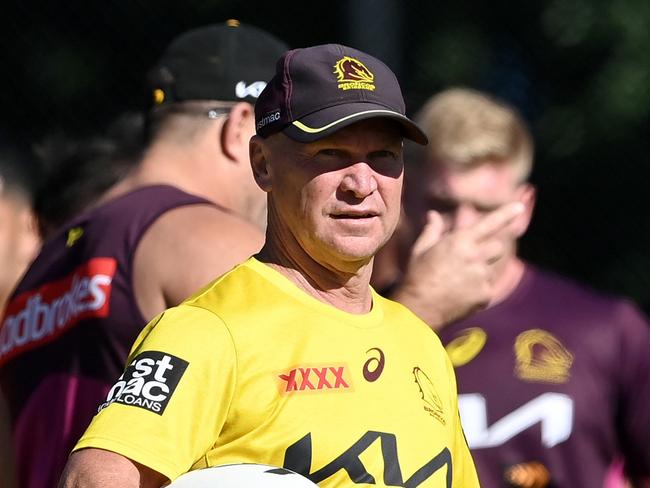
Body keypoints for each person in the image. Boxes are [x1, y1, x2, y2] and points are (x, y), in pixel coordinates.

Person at [59, 44, 480, 488]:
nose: (361, 184)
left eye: (384, 157)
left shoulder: (422, 345)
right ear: (262, 164)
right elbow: (91, 480)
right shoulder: (206, 331)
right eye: (329, 154)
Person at [0, 21, 288, 488]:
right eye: (293, 147)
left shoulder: (39, 271)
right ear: (240, 130)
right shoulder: (205, 239)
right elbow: (329, 402)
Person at [392, 87, 650, 487]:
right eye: (442, 205)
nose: (463, 229)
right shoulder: (364, 319)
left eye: (485, 209)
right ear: (407, 200)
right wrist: (415, 309)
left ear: (523, 209)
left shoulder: (608, 327)